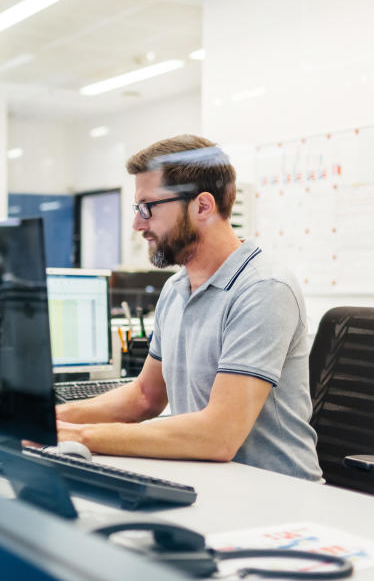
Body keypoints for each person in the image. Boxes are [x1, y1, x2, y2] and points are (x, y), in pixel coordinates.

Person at [57, 135, 322, 481]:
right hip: (210, 480)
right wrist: (48, 418)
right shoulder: (176, 288)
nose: (138, 224)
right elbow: (145, 396)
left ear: (202, 206)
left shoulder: (262, 289)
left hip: (276, 494)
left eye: (147, 207)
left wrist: (78, 436)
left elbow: (218, 435)